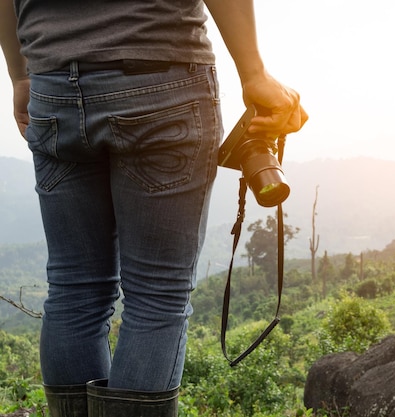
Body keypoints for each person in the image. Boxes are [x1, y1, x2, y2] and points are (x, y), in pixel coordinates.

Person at [0, 0, 307, 415]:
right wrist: (253, 72)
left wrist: (20, 74)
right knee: (156, 296)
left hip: (53, 85)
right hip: (162, 77)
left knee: (74, 291)